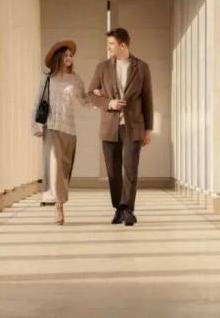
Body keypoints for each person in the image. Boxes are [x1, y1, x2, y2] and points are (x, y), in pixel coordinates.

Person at [87, 28, 153, 226]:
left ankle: (128, 210)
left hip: (134, 126)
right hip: (110, 127)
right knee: (113, 172)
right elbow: (91, 94)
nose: (108, 47)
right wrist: (109, 103)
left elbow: (148, 100)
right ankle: (118, 208)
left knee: (130, 170)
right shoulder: (102, 68)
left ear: (122, 44)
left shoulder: (142, 67)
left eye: (111, 44)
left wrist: (149, 129)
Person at [32, 40, 90, 225]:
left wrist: (99, 98)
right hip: (51, 126)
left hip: (69, 129)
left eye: (70, 55)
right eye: (65, 55)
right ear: (58, 58)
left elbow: (84, 101)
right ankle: (58, 207)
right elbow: (38, 101)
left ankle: (60, 200)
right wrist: (36, 125)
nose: (69, 58)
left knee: (64, 169)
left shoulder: (75, 79)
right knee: (55, 166)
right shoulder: (47, 79)